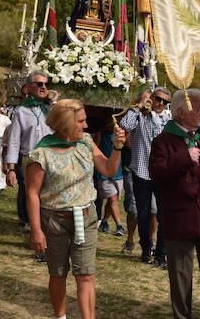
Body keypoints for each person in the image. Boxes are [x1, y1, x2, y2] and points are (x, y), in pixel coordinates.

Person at [25, 98, 125, 319]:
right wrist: (36, 230)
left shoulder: (87, 143)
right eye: (81, 121)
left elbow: (108, 169)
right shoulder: (41, 154)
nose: (85, 125)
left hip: (87, 217)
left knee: (86, 275)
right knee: (58, 274)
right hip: (54, 222)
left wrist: (118, 147)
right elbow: (32, 194)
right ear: (66, 123)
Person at [150, 88, 200, 319]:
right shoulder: (163, 141)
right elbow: (156, 173)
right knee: (181, 280)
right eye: (197, 107)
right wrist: (184, 157)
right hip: (180, 220)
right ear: (180, 111)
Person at [119, 85, 171, 267]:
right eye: (158, 99)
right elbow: (124, 125)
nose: (160, 103)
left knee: (164, 215)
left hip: (163, 174)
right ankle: (146, 249)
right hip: (141, 171)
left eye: (165, 101)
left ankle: (161, 254)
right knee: (143, 215)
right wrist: (140, 105)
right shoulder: (140, 116)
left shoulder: (169, 120)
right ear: (152, 98)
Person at [5, 71, 53, 233]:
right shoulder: (21, 111)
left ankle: (45, 225)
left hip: (50, 158)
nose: (43, 87)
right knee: (30, 192)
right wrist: (11, 168)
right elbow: (14, 141)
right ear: (29, 87)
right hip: (29, 159)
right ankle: (31, 224)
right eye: (39, 84)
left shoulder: (50, 108)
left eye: (46, 84)